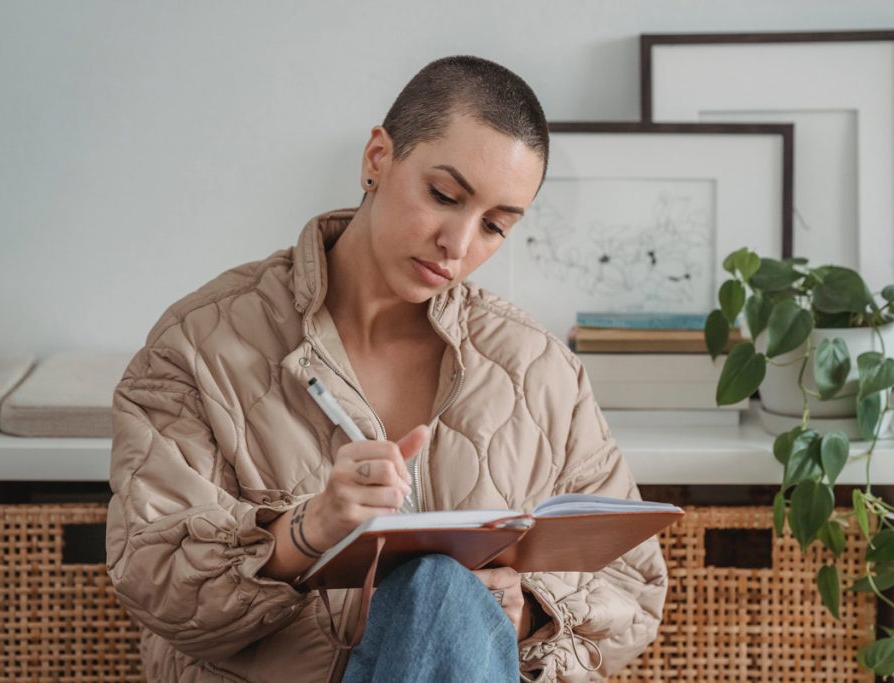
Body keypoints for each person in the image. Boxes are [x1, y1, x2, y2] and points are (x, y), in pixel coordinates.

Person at [105, 55, 667, 683]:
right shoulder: (199, 346)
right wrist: (307, 531)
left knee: (440, 594)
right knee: (438, 589)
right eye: (444, 196)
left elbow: (633, 589)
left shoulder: (540, 370)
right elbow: (155, 583)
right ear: (378, 158)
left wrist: (524, 615)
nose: (458, 243)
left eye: (495, 226)